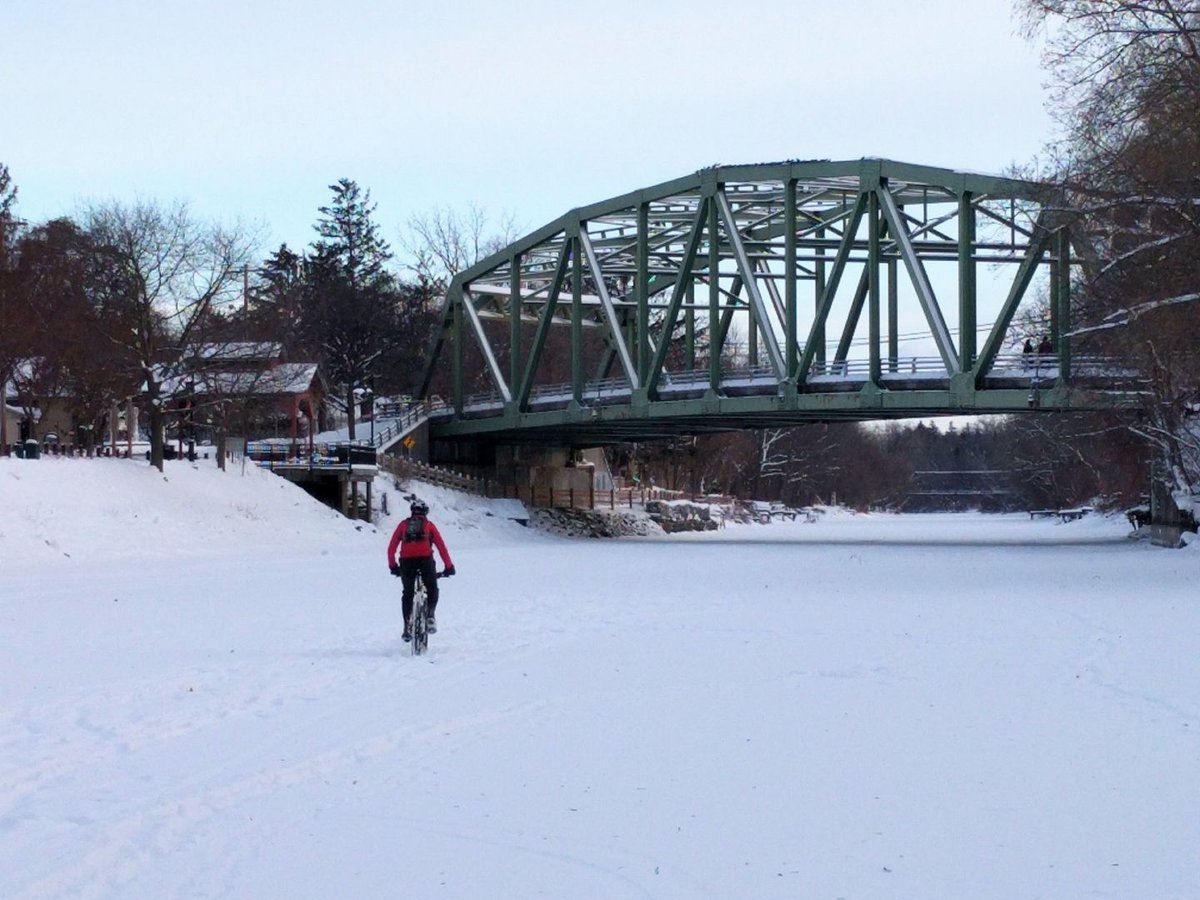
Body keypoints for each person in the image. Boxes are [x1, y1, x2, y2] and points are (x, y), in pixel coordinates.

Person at [386, 499, 455, 641]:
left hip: (406, 562)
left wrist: (393, 566)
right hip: (425, 561)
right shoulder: (429, 525)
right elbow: (442, 547)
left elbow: (391, 548)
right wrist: (449, 567)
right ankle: (430, 615)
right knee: (432, 588)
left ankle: (407, 626)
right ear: (425, 513)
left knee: (408, 593)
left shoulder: (403, 525)